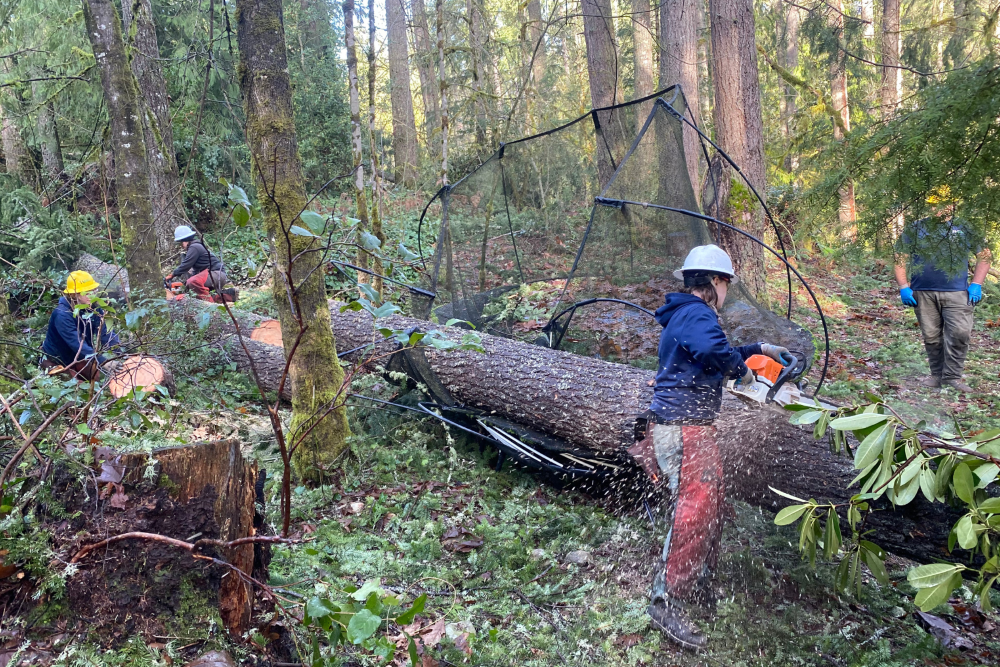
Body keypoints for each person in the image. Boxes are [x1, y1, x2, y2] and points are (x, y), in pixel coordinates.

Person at [633, 245, 789, 650]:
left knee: (712, 505)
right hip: (683, 428)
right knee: (695, 512)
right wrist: (743, 373)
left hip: (690, 426)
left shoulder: (685, 314)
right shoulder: (696, 313)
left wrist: (758, 352)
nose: (726, 293)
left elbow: (715, 353)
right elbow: (713, 352)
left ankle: (700, 581)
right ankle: (666, 599)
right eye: (726, 285)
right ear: (717, 282)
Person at [894, 198, 991, 393]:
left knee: (959, 334)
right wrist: (904, 286)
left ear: (953, 204)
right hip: (923, 292)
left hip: (958, 293)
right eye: (933, 204)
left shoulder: (964, 227)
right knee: (931, 336)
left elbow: (985, 256)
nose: (938, 209)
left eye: (943, 204)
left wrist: (977, 284)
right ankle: (937, 375)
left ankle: (952, 377)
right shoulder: (916, 228)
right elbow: (899, 258)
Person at [41, 271, 120, 381]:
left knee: (98, 378)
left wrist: (120, 353)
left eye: (93, 291)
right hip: (58, 359)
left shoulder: (95, 309)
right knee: (75, 387)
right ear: (74, 294)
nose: (91, 296)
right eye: (86, 293)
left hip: (81, 356)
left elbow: (106, 333)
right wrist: (102, 361)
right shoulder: (62, 314)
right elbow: (76, 343)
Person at [165, 225, 229, 302]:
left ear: (184, 241)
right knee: (190, 286)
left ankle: (209, 305)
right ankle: (226, 297)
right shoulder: (195, 247)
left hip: (217, 274)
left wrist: (172, 275)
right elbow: (193, 272)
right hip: (211, 275)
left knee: (193, 282)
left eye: (181, 243)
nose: (181, 246)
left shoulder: (194, 247)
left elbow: (185, 265)